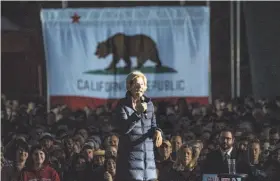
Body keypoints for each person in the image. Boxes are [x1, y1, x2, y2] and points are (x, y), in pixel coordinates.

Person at [114, 71, 163, 181]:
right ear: (129, 86)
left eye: (142, 84)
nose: (139, 87)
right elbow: (123, 129)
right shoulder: (122, 105)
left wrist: (158, 131)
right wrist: (137, 113)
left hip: (148, 161)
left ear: (145, 87)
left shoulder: (149, 104)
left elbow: (153, 124)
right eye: (136, 84)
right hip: (130, 163)